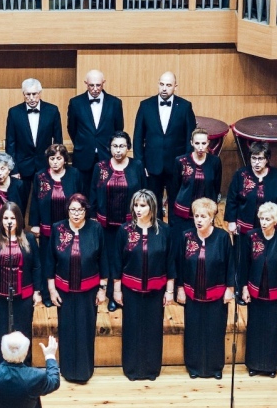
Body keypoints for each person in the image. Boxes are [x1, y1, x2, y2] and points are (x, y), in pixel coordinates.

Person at [111, 191, 175, 381]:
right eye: (136, 205)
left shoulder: (164, 230)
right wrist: (116, 289)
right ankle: (132, 369)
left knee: (153, 330)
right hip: (131, 290)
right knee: (132, 329)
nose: (138, 210)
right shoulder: (124, 231)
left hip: (156, 290)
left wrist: (170, 291)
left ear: (152, 208)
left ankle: (151, 369)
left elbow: (170, 261)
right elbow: (117, 262)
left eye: (143, 206)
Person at [47, 193, 108, 383]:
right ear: (67, 210)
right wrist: (51, 289)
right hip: (63, 290)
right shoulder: (58, 228)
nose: (75, 214)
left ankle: (84, 371)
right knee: (66, 330)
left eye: (80, 210)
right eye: (72, 209)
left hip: (88, 291)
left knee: (85, 330)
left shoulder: (96, 228)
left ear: (86, 210)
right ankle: (67, 370)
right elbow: (50, 260)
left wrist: (102, 288)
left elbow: (103, 259)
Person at [224, 141, 277, 302]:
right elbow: (232, 199)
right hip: (245, 226)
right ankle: (240, 290)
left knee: (265, 258)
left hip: (269, 228)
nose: (256, 162)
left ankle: (262, 288)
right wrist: (231, 221)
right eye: (253, 158)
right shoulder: (241, 174)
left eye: (260, 159)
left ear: (267, 159)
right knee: (242, 259)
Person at [175, 198, 234, 379]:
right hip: (192, 292)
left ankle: (215, 367)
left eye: (203, 216)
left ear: (212, 218)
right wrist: (180, 288)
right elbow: (180, 265)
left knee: (215, 330)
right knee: (193, 330)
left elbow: (230, 264)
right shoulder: (186, 236)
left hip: (216, 293)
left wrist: (230, 288)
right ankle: (194, 367)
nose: (199, 220)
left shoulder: (223, 237)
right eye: (196, 216)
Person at [0, 202, 42, 365]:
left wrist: (37, 291)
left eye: (12, 218)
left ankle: (24, 367)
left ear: (19, 219)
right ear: (0, 219)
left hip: (23, 296)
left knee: (23, 331)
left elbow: (36, 266)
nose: (9, 221)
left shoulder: (28, 239)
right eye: (5, 218)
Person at [90, 131, 145, 311]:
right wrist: (92, 217)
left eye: (122, 146)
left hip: (130, 222)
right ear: (109, 147)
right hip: (105, 223)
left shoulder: (137, 165)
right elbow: (93, 193)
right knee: (109, 257)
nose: (118, 150)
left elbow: (144, 194)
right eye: (115, 146)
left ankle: (126, 292)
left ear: (128, 148)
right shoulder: (100, 166)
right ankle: (111, 293)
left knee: (128, 257)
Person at [133, 71, 198, 219]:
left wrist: (186, 164)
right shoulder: (145, 105)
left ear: (175, 86)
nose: (164, 88)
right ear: (158, 84)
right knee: (152, 204)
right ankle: (156, 236)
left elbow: (191, 138)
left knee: (176, 204)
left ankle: (173, 239)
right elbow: (137, 137)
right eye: (161, 84)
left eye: (168, 85)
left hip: (176, 166)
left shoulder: (185, 106)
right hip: (151, 165)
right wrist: (140, 163)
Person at [238, 202, 277, 377]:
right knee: (254, 328)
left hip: (276, 291)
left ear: (275, 220)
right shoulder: (251, 236)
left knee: (273, 329)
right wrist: (244, 287)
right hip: (255, 290)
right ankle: (253, 364)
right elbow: (244, 264)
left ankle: (270, 366)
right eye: (261, 218)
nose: (263, 222)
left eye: (267, 219)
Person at [29, 144, 82, 305]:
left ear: (65, 160)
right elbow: (35, 203)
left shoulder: (74, 174)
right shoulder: (40, 176)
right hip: (47, 226)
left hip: (69, 225)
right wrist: (34, 224)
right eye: (52, 158)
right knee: (47, 260)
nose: (55, 162)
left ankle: (65, 290)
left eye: (59, 158)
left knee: (66, 259)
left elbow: (80, 198)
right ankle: (46, 294)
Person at [4, 78, 64, 211]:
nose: (31, 98)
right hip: (21, 166)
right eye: (28, 94)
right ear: (23, 94)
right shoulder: (14, 112)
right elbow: (10, 143)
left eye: (34, 94)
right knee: (19, 204)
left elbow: (58, 141)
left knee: (45, 202)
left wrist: (57, 165)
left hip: (45, 165)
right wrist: (13, 170)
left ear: (40, 93)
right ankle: (19, 231)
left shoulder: (52, 110)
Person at [66, 69, 125, 199]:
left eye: (98, 85)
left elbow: (118, 129)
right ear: (85, 83)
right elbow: (72, 128)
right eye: (91, 85)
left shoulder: (115, 103)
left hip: (106, 154)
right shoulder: (75, 103)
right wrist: (84, 143)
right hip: (83, 155)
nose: (95, 89)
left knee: (106, 192)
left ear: (103, 83)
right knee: (83, 194)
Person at [170, 128, 223, 238]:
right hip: (183, 211)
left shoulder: (215, 161)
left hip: (205, 213)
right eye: (197, 143)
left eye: (203, 143)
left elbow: (216, 187)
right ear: (191, 143)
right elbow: (174, 189)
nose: (200, 147)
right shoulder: (180, 161)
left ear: (208, 143)